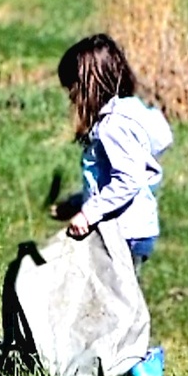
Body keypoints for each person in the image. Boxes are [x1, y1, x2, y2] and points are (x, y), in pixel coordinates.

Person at [55, 34, 172, 277]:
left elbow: (128, 179)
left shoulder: (114, 126)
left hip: (123, 233)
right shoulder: (130, 113)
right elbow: (111, 179)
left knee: (115, 306)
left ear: (89, 85)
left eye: (72, 89)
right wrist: (79, 202)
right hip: (134, 229)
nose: (71, 98)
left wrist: (89, 214)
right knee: (115, 302)